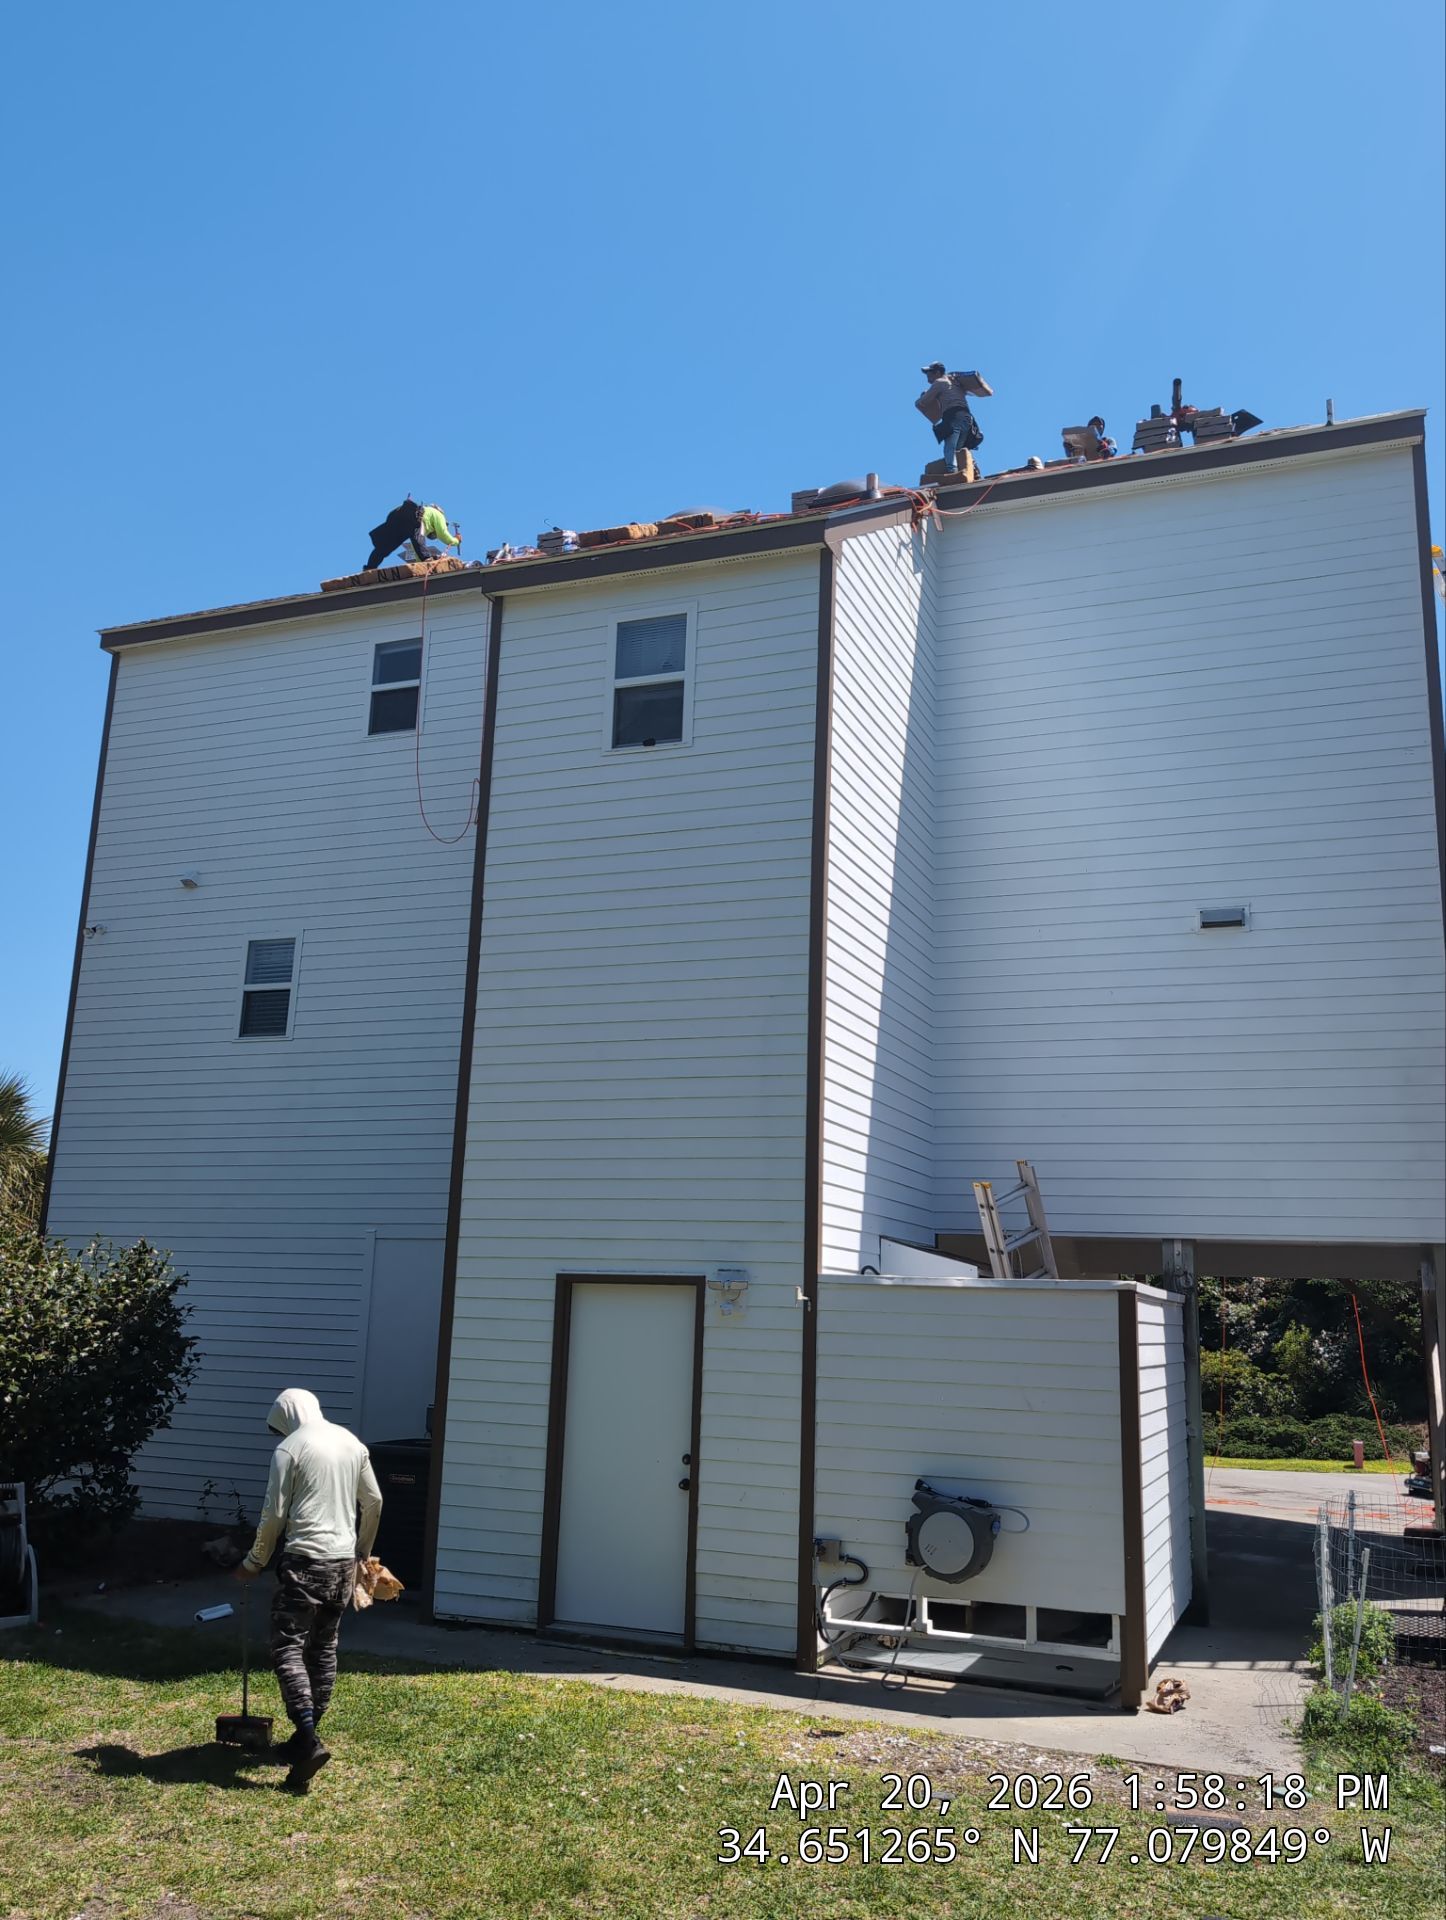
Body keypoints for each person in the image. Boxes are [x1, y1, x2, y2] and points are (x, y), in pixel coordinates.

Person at [234, 1387, 383, 1792]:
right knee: (323, 1649)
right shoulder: (351, 1442)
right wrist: (362, 1552)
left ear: (286, 1415)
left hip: (305, 1564)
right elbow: (374, 1501)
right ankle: (304, 1738)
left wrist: (254, 1562)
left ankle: (309, 1738)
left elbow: (274, 1514)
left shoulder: (290, 1449)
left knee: (288, 1648)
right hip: (341, 1566)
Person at [915, 361, 993, 472]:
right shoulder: (954, 382)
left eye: (929, 372)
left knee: (949, 447)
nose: (927, 375)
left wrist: (921, 397)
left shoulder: (939, 382)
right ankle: (972, 469)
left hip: (954, 417)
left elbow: (923, 402)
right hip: (966, 418)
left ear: (937, 372)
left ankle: (952, 472)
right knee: (959, 449)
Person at [363, 499, 460, 571]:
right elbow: (443, 534)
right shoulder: (438, 515)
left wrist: (420, 563)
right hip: (413, 515)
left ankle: (370, 567)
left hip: (397, 515)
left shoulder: (423, 522)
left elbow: (417, 547)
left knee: (385, 546)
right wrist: (456, 540)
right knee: (419, 538)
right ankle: (427, 559)